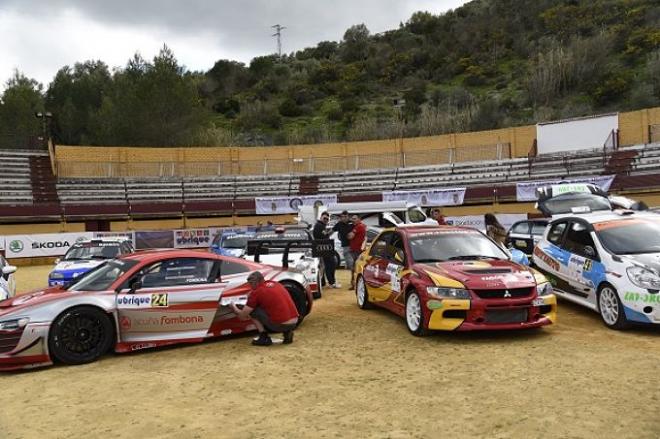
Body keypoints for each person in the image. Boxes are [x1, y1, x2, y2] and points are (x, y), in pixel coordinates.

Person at [230, 271, 299, 346]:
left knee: (253, 310)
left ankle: (263, 337)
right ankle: (287, 332)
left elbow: (242, 316)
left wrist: (233, 307)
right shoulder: (276, 284)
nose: (250, 286)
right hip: (295, 322)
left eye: (250, 284)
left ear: (255, 283)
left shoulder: (256, 292)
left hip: (279, 325)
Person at [313, 211, 340, 288]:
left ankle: (324, 282)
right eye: (324, 218)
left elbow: (325, 235)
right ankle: (331, 282)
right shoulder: (319, 225)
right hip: (323, 248)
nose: (325, 220)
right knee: (330, 264)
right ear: (321, 217)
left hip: (323, 248)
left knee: (325, 266)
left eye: (327, 219)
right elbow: (324, 236)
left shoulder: (321, 225)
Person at [348, 214, 366, 289]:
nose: (353, 220)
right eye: (352, 219)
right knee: (356, 268)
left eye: (354, 218)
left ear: (359, 219)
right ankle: (355, 284)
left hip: (357, 251)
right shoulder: (362, 226)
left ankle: (354, 285)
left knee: (354, 268)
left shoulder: (359, 226)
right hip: (358, 250)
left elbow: (350, 236)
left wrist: (349, 234)